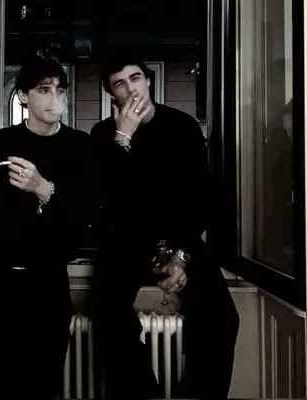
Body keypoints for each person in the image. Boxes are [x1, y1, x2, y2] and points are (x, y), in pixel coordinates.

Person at [90, 53, 240, 399]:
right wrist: (123, 137)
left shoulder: (182, 126)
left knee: (222, 319)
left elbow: (200, 198)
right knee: (108, 315)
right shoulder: (103, 134)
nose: (131, 89)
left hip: (180, 237)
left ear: (148, 81)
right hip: (126, 241)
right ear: (112, 95)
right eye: (120, 84)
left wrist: (182, 255)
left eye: (136, 78)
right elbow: (106, 200)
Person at [0, 53, 96, 398]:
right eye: (44, 89)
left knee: (41, 381)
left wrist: (43, 189)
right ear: (23, 96)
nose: (55, 98)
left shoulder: (80, 148)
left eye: (60, 90)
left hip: (46, 286)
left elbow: (82, 220)